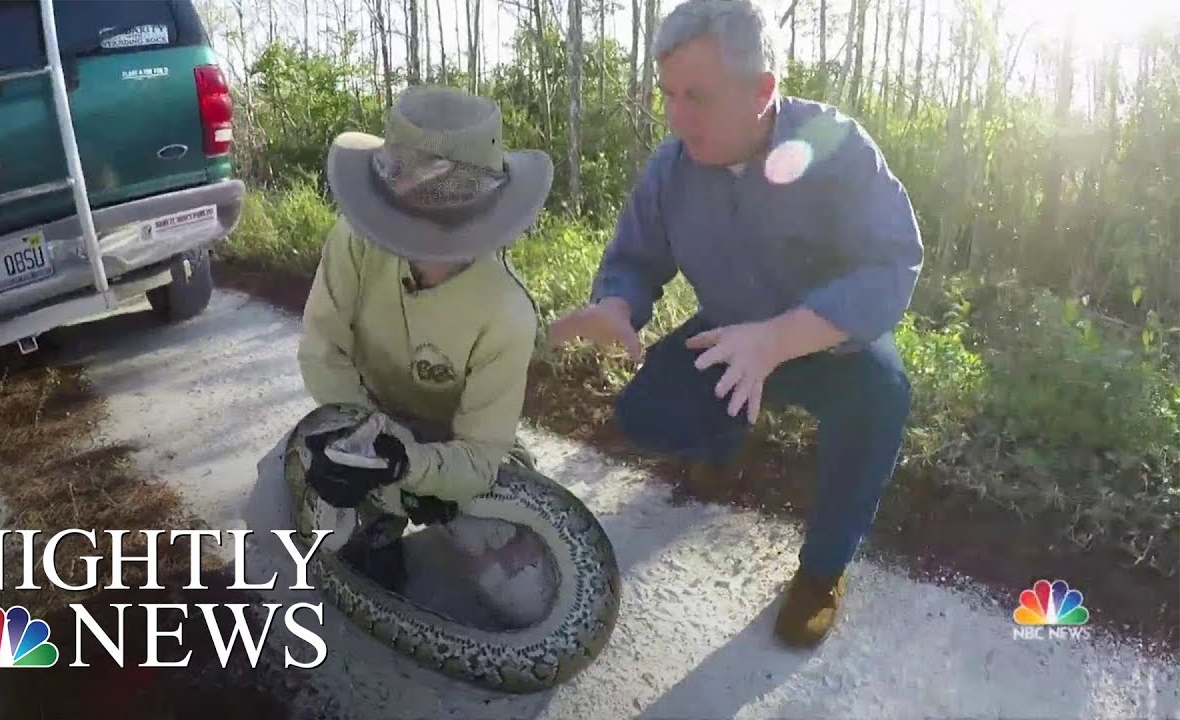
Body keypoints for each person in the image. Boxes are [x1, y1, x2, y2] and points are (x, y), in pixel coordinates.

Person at [548, 0, 922, 648]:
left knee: (882, 401)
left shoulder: (834, 146)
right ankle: (729, 440)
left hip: (829, 344)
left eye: (699, 96)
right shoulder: (672, 167)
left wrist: (779, 340)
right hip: (728, 336)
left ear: (763, 90)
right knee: (643, 414)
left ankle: (821, 571)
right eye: (667, 94)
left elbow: (893, 262)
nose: (677, 116)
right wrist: (615, 304)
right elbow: (636, 258)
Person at [296, 84, 553, 597]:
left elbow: (479, 456)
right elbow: (322, 353)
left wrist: (411, 467)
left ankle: (412, 514)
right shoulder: (354, 240)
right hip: (364, 421)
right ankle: (378, 522)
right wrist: (365, 450)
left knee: (526, 597)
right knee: (312, 535)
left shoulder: (508, 313)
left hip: (452, 446)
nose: (424, 244)